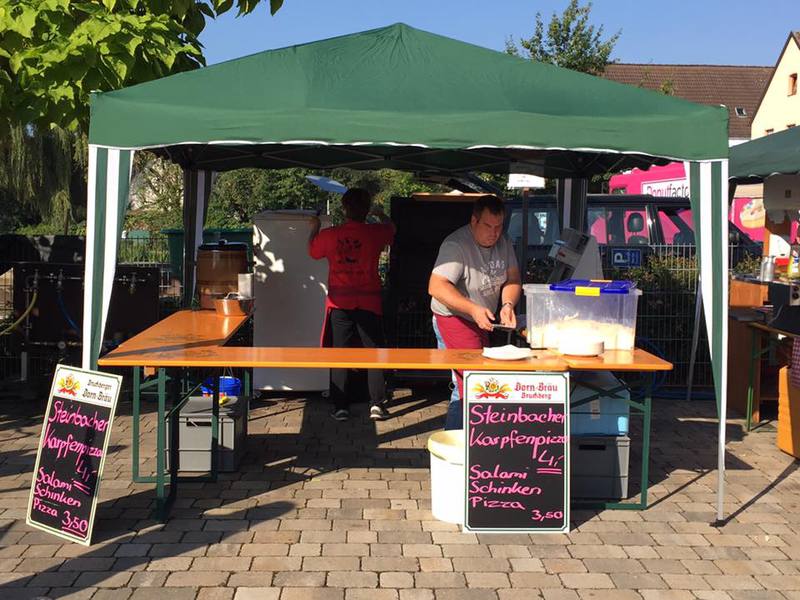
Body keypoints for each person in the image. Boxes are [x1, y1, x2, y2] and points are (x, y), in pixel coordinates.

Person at [428, 195, 521, 430]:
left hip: (481, 320)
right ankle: (461, 440)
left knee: (475, 381)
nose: (494, 233)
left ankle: (471, 438)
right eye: (488, 226)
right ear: (474, 221)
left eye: (499, 226)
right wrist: (473, 308)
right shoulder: (456, 245)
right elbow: (436, 286)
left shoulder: (504, 242)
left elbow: (513, 279)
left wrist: (508, 304)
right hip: (454, 318)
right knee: (471, 382)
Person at [309, 188, 395, 421]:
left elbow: (313, 251)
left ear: (344, 208)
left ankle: (340, 406)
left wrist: (315, 226)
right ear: (366, 209)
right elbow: (392, 230)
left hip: (340, 302)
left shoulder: (330, 235)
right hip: (369, 300)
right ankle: (376, 404)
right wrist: (381, 214)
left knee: (340, 353)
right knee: (374, 352)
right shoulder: (376, 233)